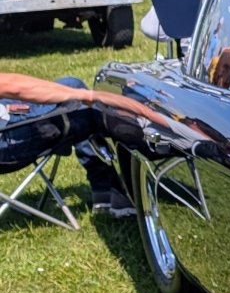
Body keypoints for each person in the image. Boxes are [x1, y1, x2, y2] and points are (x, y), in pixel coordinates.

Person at [0, 74, 174, 218]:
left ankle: (105, 188)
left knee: (72, 85)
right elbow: (11, 86)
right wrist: (88, 96)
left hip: (6, 120)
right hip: (8, 142)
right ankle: (159, 149)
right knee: (87, 108)